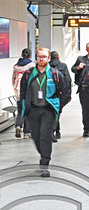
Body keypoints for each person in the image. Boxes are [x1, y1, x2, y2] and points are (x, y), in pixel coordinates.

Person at [20, 48, 71, 177]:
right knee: (36, 136)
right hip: (33, 110)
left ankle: (44, 164)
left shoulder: (55, 74)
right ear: (36, 58)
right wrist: (24, 107)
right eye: (39, 57)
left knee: (45, 136)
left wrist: (58, 106)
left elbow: (66, 92)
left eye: (44, 57)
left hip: (48, 110)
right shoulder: (28, 74)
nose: (41, 59)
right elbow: (23, 91)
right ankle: (43, 152)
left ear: (49, 59)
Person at [12, 48, 36, 138]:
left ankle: (18, 125)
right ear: (30, 55)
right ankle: (26, 132)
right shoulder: (32, 65)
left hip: (18, 91)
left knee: (20, 110)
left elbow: (13, 79)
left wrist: (16, 89)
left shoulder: (16, 66)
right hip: (28, 91)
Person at [49, 51, 72, 141]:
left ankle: (55, 131)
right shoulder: (63, 65)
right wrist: (68, 95)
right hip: (60, 93)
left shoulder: (47, 67)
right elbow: (68, 80)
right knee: (57, 112)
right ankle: (55, 131)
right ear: (58, 56)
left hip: (51, 93)